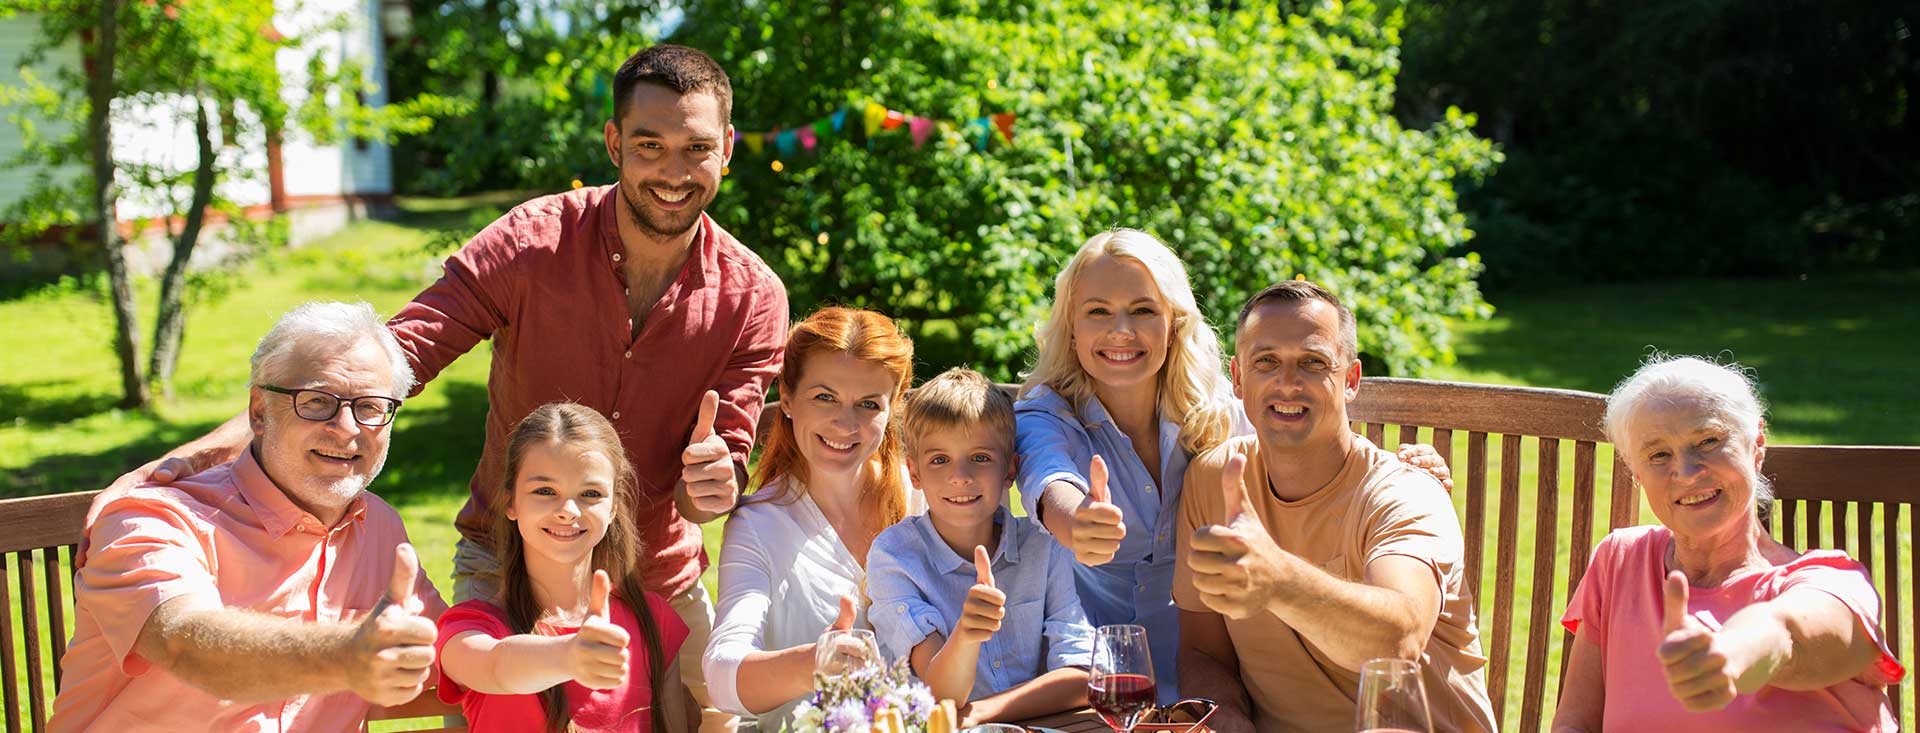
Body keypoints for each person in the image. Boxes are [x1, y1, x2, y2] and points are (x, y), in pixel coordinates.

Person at [102, 44, 785, 732]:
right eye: (649, 144)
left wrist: (714, 484)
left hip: (651, 578)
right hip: (509, 565)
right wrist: (226, 437)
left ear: (726, 147)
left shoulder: (754, 296)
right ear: (614, 143)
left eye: (696, 147)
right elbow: (397, 353)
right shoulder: (531, 242)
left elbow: (721, 464)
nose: (674, 171)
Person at [1016, 229, 1453, 701]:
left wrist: (1404, 470)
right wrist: (1076, 520)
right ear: (1072, 326)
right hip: (1091, 682)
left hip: (1210, 684)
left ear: (1174, 322)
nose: (1121, 329)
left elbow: (1302, 427)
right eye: (1098, 311)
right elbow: (1047, 475)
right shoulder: (1047, 412)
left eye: (1143, 310)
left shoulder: (1217, 409)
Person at [50, 301, 448, 731]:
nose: (347, 427)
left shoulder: (379, 527)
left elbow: (447, 655)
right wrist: (346, 655)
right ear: (259, 412)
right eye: (317, 402)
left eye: (370, 406)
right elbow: (187, 645)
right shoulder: (156, 519)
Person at [1174, 281, 1496, 733]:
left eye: (1313, 362)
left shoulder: (1403, 492)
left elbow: (1398, 642)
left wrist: (1278, 580)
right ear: (1239, 379)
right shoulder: (1215, 479)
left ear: (1350, 380)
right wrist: (1225, 713)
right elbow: (1203, 650)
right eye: (1266, 361)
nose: (1287, 383)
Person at [1551, 356, 1903, 732]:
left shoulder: (1832, 583)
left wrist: (1730, 656)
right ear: (1636, 473)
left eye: (1708, 441)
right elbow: (1576, 724)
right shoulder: (1620, 559)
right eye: (1658, 455)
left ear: (1757, 446)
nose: (1686, 473)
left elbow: (1785, 634)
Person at [703, 307, 922, 730]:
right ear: (786, 397)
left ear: (893, 406)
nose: (845, 422)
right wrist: (814, 662)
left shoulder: (925, 495)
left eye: (868, 404)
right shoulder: (759, 525)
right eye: (825, 397)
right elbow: (721, 676)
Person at [435, 402, 689, 733]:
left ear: (613, 507)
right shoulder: (470, 627)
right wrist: (569, 656)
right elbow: (497, 665)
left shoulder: (653, 620)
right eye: (545, 491)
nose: (568, 510)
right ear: (511, 501)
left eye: (590, 493)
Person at [868, 368, 1093, 724]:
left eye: (980, 457)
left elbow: (1082, 676)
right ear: (914, 473)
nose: (961, 476)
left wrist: (982, 714)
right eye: (939, 460)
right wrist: (967, 633)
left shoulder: (1043, 546)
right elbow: (943, 694)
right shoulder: (895, 557)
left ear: (1009, 470)